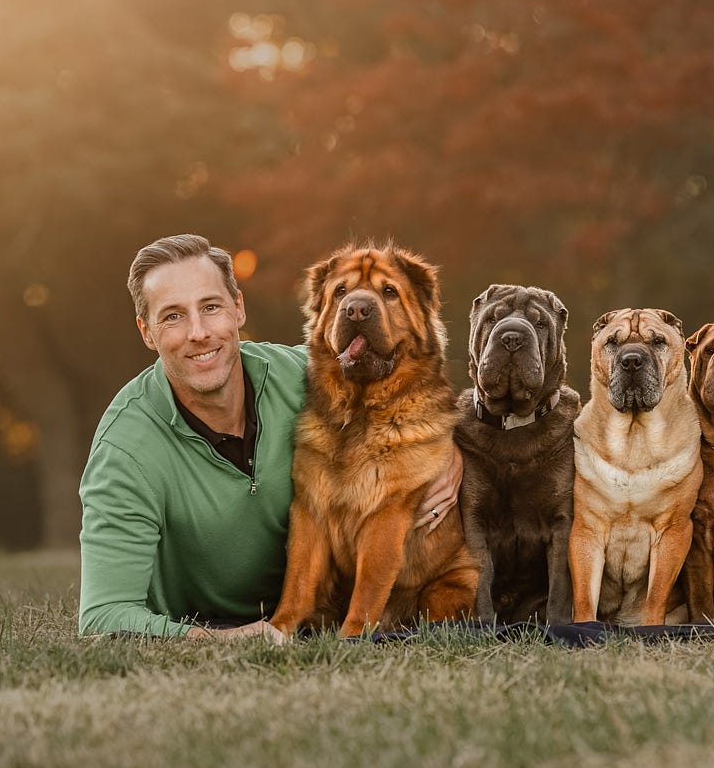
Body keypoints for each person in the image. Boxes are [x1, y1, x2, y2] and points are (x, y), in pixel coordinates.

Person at [77, 234, 461, 639]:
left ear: (238, 308)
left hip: (316, 613)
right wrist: (227, 639)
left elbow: (416, 400)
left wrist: (451, 455)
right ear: (146, 332)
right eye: (173, 316)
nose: (199, 332)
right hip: (209, 621)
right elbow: (103, 615)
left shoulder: (308, 376)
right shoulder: (125, 450)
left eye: (211, 307)